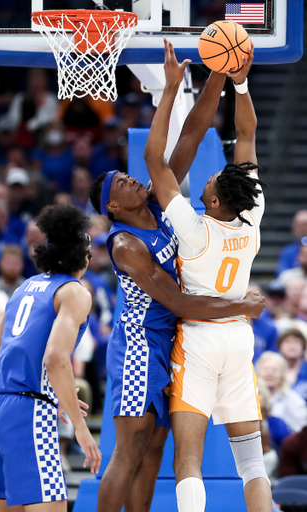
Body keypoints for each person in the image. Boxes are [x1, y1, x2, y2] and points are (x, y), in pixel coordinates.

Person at [89, 46, 265, 512]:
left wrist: (218, 75)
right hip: (139, 344)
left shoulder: (157, 207)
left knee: (154, 455)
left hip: (174, 341)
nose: (129, 179)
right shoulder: (126, 244)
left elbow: (192, 132)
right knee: (129, 452)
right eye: (118, 183)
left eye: (126, 175)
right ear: (111, 207)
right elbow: (180, 302)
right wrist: (241, 306)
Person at [144, 39, 272, 512]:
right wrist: (238, 80)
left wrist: (171, 91)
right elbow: (248, 136)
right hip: (238, 339)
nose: (215, 172)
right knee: (252, 465)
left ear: (214, 201)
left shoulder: (194, 230)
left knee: (188, 463)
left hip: (198, 340)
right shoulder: (252, 214)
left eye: (215, 178)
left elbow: (156, 163)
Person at [0, 204, 101, 510]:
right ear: (85, 258)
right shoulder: (75, 291)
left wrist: (47, 389)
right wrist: (81, 428)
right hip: (27, 411)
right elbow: (55, 358)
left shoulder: (24, 287)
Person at [256, 351, 307, 433]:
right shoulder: (249, 397)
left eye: (274, 370)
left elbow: (302, 431)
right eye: (265, 369)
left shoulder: (294, 400)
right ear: (258, 372)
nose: (269, 373)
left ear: (282, 375)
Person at [276, 210, 307, 276]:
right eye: (299, 225)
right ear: (294, 228)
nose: (303, 229)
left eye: (305, 224)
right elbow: (281, 272)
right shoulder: (288, 251)